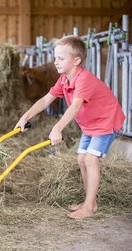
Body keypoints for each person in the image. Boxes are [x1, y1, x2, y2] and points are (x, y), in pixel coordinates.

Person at [14, 35, 125, 220]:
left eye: (61, 58)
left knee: (90, 160)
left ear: (76, 60)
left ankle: (89, 208)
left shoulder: (84, 79)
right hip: (90, 125)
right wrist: (24, 117)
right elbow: (45, 100)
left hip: (106, 122)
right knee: (82, 159)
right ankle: (91, 201)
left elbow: (75, 106)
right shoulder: (64, 80)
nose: (55, 62)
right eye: (55, 57)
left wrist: (57, 128)